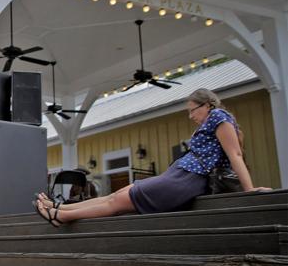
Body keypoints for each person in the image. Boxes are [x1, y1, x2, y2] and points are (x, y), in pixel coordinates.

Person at [35, 88, 273, 226]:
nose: (190, 116)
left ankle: (61, 216)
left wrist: (249, 190)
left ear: (207, 105)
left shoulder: (220, 117)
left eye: (192, 109)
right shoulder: (211, 120)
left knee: (118, 201)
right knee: (116, 195)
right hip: (179, 173)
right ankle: (60, 208)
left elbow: (235, 154)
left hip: (189, 178)